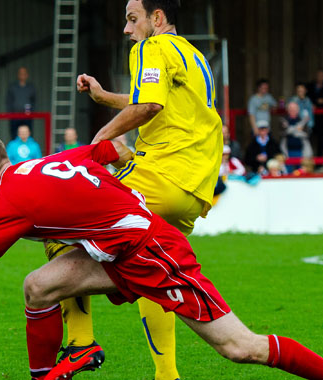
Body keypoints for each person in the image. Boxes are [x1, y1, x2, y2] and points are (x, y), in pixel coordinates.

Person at [0, 131, 323, 380]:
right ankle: (55, 370)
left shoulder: (7, 198)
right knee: (38, 285)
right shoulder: (44, 163)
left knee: (239, 348)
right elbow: (116, 149)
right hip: (117, 253)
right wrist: (116, 198)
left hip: (155, 254)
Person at [67, 1, 225, 377]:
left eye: (132, 19)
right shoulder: (192, 55)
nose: (127, 29)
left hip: (161, 173)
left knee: (62, 223)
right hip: (193, 190)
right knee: (151, 269)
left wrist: (100, 140)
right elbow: (159, 102)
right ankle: (166, 374)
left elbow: (150, 104)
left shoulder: (151, 47)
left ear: (157, 19)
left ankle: (79, 344)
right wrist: (105, 98)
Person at [6, 67, 37, 137]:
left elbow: (34, 102)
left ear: (27, 75)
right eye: (21, 74)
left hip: (27, 117)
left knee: (28, 136)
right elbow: (8, 102)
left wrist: (31, 112)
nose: (22, 75)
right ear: (18, 75)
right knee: (14, 135)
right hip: (15, 117)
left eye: (24, 74)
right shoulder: (12, 87)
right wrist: (10, 114)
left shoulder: (31, 87)